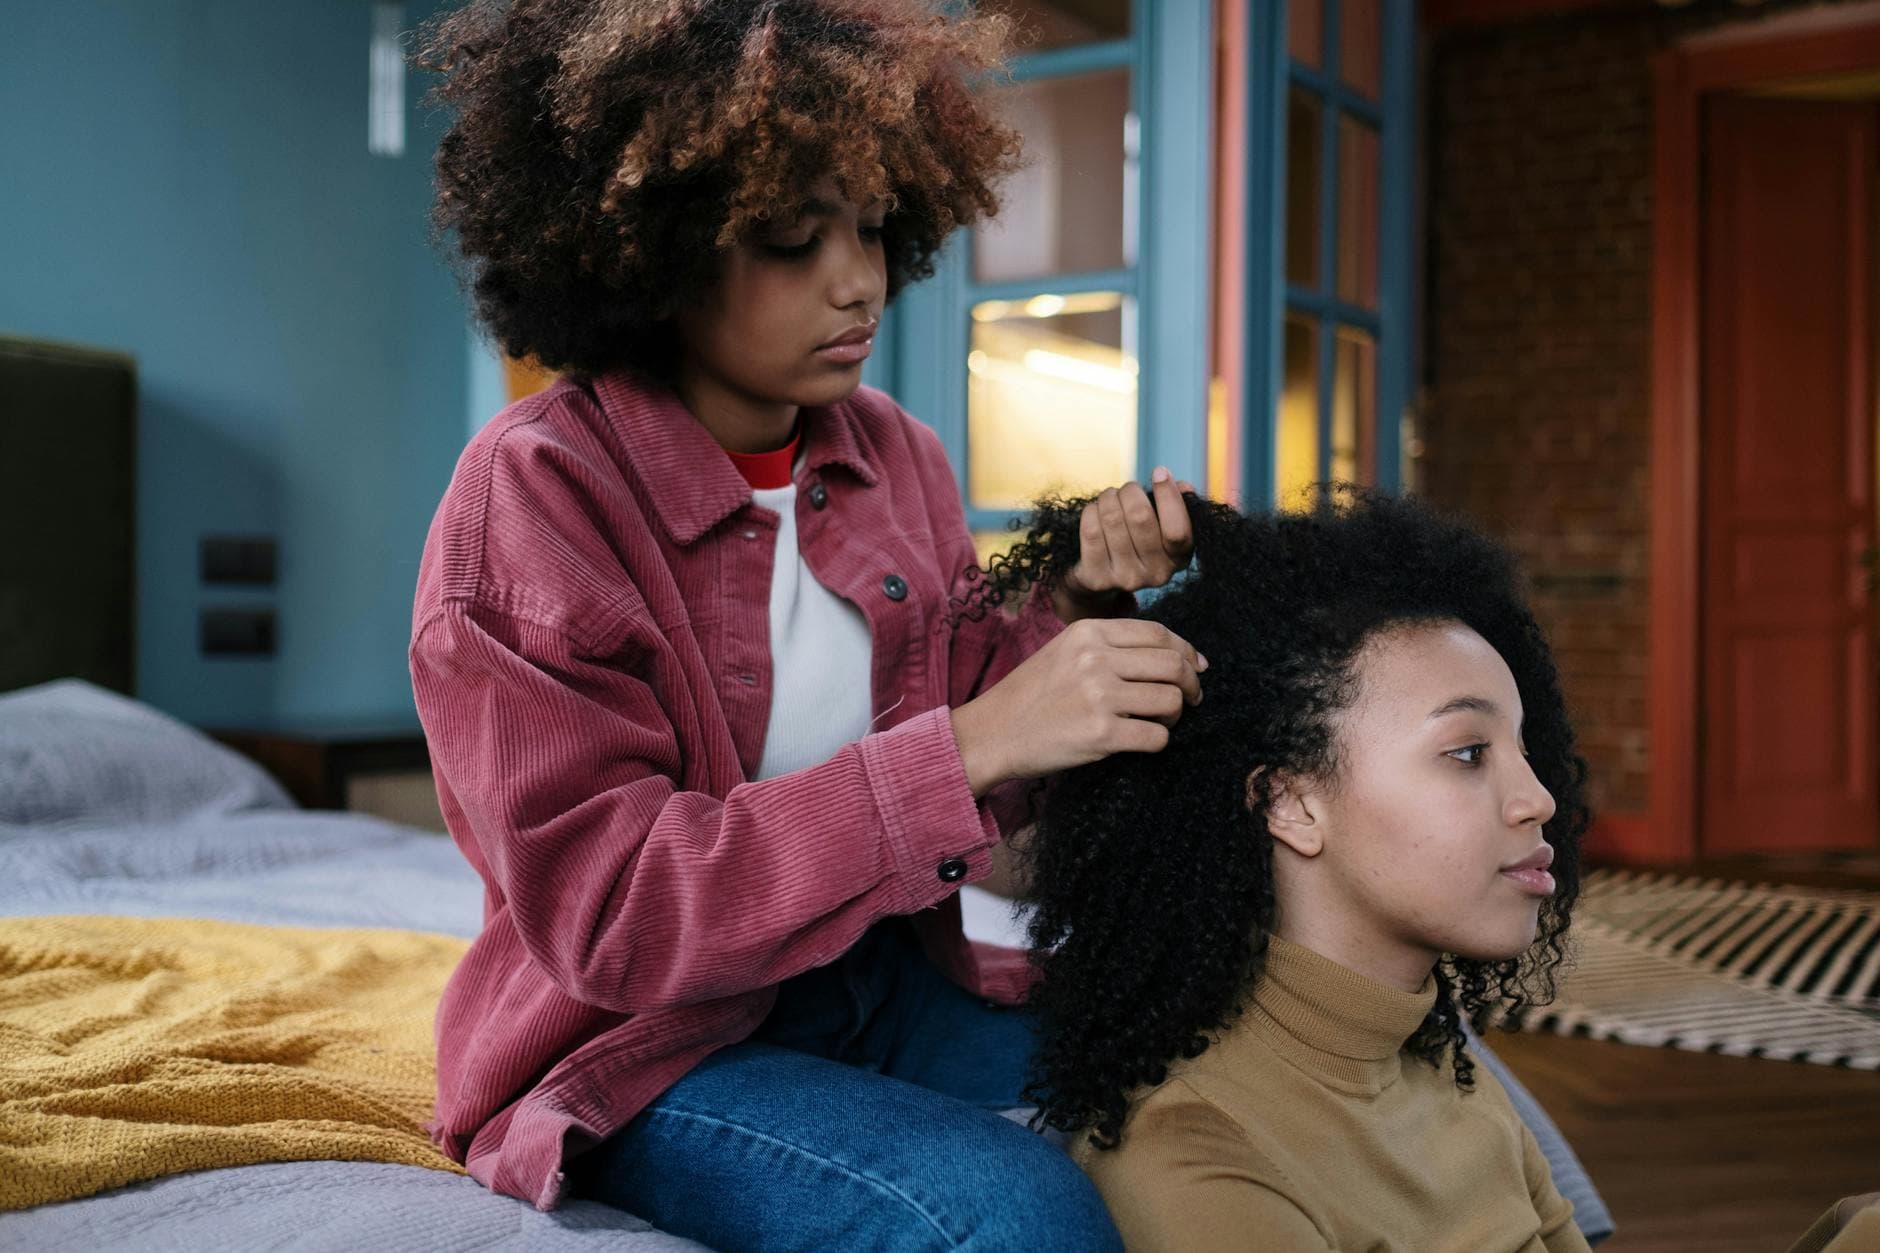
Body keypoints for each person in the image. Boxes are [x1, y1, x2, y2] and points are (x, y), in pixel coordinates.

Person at [408, 1, 1202, 1248]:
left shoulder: (895, 454)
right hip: (644, 1047)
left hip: (877, 979)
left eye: (875, 226)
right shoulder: (534, 496)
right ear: (643, 250)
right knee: (1014, 1213)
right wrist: (978, 739)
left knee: (1227, 1066)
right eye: (790, 238)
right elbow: (614, 910)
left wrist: (1089, 607)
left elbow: (986, 720)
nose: (859, 281)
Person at [982, 489, 1597, 1251]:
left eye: (1525, 749)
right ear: (1291, 805)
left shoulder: (1445, 1075)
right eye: (1467, 752)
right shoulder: (1203, 1154)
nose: (1538, 799)